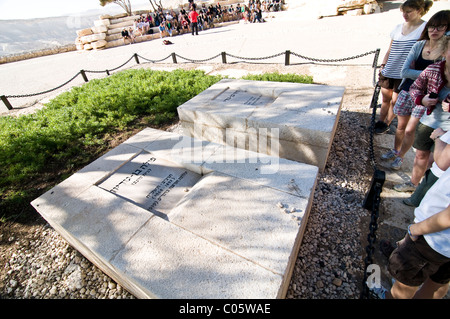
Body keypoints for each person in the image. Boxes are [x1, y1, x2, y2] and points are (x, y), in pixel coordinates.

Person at [381, 10, 449, 169]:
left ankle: (401, 156)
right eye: (432, 27)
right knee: (400, 127)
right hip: (408, 90)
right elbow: (404, 71)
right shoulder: (419, 45)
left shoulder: (445, 52)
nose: (435, 31)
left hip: (427, 97)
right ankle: (396, 150)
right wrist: (429, 74)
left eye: (440, 28)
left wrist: (420, 74)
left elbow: (442, 76)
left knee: (411, 130)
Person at [371, 167, 450, 299]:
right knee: (438, 282)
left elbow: (447, 218)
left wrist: (415, 230)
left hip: (432, 239)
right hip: (445, 246)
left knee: (405, 283)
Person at [394, 35, 450, 193]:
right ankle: (413, 184)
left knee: (438, 162)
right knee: (420, 155)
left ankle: (428, 192)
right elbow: (415, 88)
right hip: (431, 120)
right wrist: (422, 99)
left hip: (448, 125)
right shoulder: (433, 69)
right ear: (444, 51)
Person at [375, 0, 433, 135]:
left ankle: (386, 123)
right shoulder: (397, 28)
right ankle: (380, 120)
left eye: (408, 12)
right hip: (390, 68)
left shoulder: (424, 28)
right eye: (403, 12)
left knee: (395, 101)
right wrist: (383, 64)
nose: (405, 15)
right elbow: (390, 49)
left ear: (419, 11)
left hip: (404, 72)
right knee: (385, 99)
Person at [403, 127, 450, 207]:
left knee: (424, 214)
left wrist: (438, 137)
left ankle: (417, 200)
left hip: (440, 179)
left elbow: (442, 163)